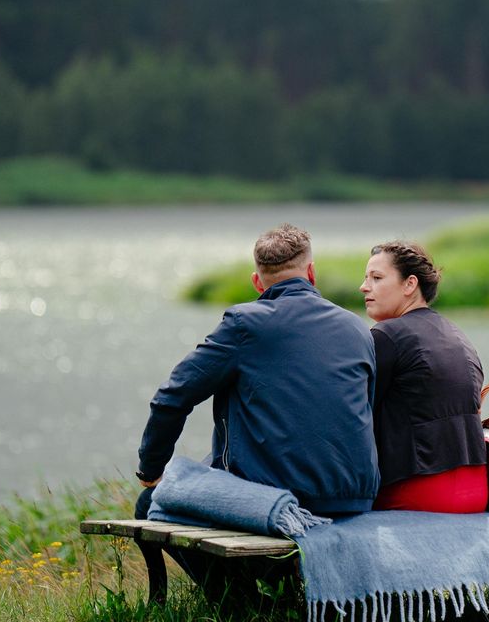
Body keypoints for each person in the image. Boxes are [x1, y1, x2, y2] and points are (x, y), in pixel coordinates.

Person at [135, 223, 380, 599]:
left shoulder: (244, 323)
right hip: (353, 497)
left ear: (257, 282)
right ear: (311, 274)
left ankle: (238, 600)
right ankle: (276, 593)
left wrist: (150, 469)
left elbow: (172, 397)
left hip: (281, 498)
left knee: (149, 502)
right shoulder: (357, 328)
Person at [360, 241, 487, 513]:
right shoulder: (457, 335)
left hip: (421, 491)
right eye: (366, 278)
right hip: (478, 490)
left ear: (410, 285)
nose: (364, 286)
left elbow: (356, 414)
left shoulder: (386, 336)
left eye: (377, 278)